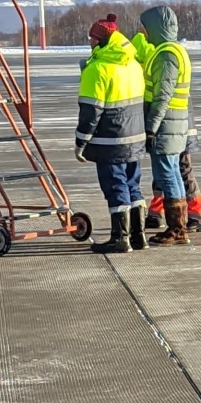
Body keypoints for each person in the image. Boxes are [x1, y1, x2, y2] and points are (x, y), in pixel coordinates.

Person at [74, 18, 147, 253]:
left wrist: (81, 142)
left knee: (115, 186)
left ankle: (120, 239)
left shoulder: (97, 69)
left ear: (101, 41)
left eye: (92, 39)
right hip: (135, 137)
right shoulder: (133, 64)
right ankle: (139, 236)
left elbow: (90, 112)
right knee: (133, 185)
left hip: (110, 141)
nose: (90, 43)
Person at [139, 5, 193, 246]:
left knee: (168, 174)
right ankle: (178, 226)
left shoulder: (166, 55)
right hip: (175, 122)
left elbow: (162, 96)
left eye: (146, 28)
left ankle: (177, 229)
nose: (144, 32)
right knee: (173, 173)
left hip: (166, 124)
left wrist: (151, 127)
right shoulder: (176, 50)